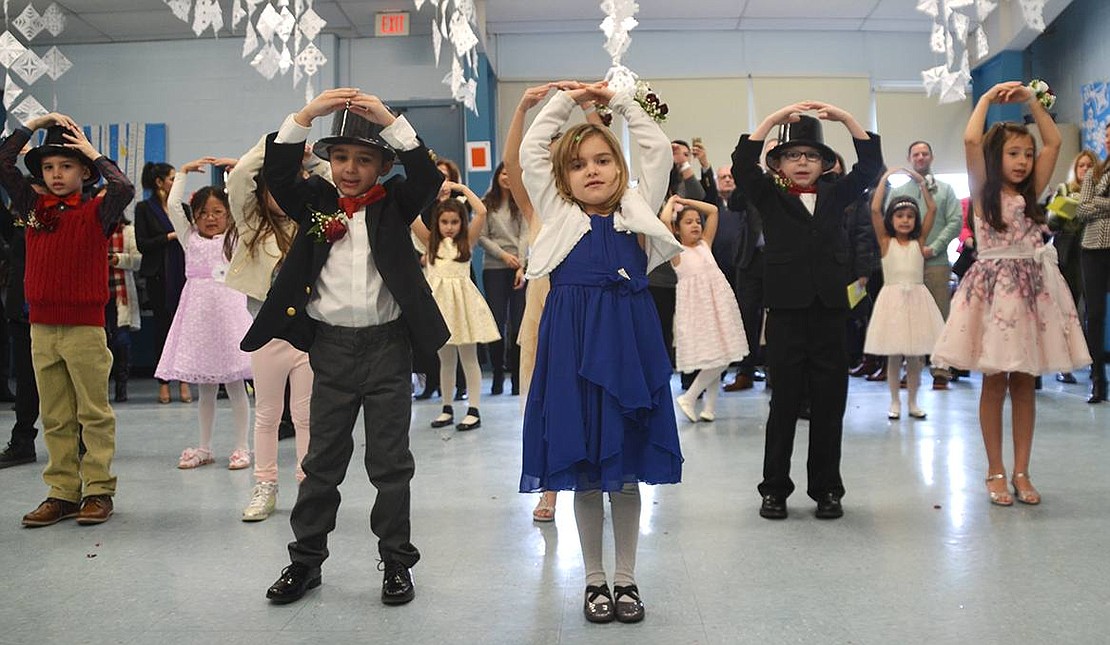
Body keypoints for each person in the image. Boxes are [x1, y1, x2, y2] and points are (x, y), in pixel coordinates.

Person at [247, 88, 446, 606]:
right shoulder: (313, 201)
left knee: (391, 463)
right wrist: (306, 115)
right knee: (321, 463)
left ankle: (397, 563)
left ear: (382, 165)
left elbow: (427, 176)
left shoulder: (396, 204)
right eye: (340, 157)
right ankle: (304, 563)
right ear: (328, 160)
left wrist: (388, 120)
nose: (350, 169)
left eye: (363, 159)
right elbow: (277, 173)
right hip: (330, 350)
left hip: (388, 350)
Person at [519, 81, 684, 625]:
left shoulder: (638, 210)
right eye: (578, 165)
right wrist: (565, 102)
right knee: (586, 467)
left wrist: (618, 101)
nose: (592, 171)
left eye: (603, 160)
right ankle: (594, 580)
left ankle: (628, 578)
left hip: (628, 344)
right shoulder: (557, 209)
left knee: (626, 469)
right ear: (563, 177)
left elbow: (656, 146)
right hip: (571, 348)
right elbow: (530, 151)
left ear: (619, 166)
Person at [932, 81, 1090, 506]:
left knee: (1025, 380)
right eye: (1013, 154)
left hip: (1032, 290)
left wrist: (1033, 104)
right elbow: (970, 138)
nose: (1022, 162)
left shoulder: (1031, 192)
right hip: (994, 291)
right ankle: (994, 470)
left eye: (1026, 154)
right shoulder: (984, 192)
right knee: (995, 380)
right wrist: (985, 100)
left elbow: (1054, 141)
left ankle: (1022, 470)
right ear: (994, 157)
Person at [731, 103, 883, 521]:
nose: (803, 162)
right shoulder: (770, 195)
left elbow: (871, 166)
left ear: (824, 164)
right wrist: (772, 119)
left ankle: (827, 489)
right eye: (793, 155)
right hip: (785, 311)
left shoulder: (838, 194)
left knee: (830, 403)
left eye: (812, 155)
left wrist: (847, 119)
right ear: (778, 162)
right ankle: (774, 489)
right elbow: (743, 164)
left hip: (831, 311)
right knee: (783, 405)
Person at [0, 114, 135, 526]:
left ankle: (97, 489)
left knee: (92, 413)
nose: (57, 174)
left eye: (67, 166)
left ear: (83, 172)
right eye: (49, 167)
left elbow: (124, 187)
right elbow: (2, 163)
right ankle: (62, 492)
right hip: (41, 326)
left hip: (85, 328)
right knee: (55, 414)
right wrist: (34, 122)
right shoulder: (32, 207)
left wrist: (91, 151)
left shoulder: (98, 212)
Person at [226, 138, 327, 521]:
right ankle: (265, 485)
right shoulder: (252, 225)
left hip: (308, 336)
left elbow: (332, 182)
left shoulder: (314, 224)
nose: (285, 197)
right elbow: (238, 179)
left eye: (293, 189)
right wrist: (277, 145)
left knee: (305, 416)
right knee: (267, 415)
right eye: (275, 189)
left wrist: (311, 160)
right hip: (267, 336)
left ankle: (308, 485)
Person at [156, 164, 253, 470]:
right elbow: (173, 204)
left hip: (230, 318)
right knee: (206, 390)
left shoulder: (236, 238)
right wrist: (182, 173)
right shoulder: (189, 238)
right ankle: (205, 446)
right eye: (202, 213)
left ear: (228, 214)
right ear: (194, 216)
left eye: (217, 212)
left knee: (236, 385)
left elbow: (246, 203)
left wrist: (239, 170)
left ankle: (241, 447)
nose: (210, 218)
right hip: (198, 321)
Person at [412, 184, 499, 431]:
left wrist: (460, 187)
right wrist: (433, 196)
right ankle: (446, 407)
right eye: (444, 222)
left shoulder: (467, 243)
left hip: (463, 307)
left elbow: (481, 211)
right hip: (439, 308)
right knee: (445, 360)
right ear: (437, 223)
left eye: (454, 222)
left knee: (468, 358)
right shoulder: (429, 242)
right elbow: (413, 216)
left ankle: (474, 409)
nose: (449, 227)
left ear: (462, 223)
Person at [864, 168, 943, 420]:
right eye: (899, 215)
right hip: (893, 302)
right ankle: (895, 402)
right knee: (894, 355)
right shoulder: (886, 242)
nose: (905, 220)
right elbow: (875, 210)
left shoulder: (918, 242)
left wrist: (921, 184)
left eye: (910, 216)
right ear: (891, 219)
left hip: (917, 302)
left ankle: (913, 402)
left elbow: (932, 210)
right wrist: (885, 179)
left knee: (915, 357)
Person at [661, 195, 748, 422]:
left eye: (697, 221)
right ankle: (689, 397)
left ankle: (709, 408)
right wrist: (672, 203)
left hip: (718, 305)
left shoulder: (704, 244)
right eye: (688, 222)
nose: (696, 225)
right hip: (699, 309)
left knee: (721, 353)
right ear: (677, 229)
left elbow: (713, 211)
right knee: (718, 359)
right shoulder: (677, 252)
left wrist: (686, 201)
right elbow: (663, 222)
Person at [887, 140, 964, 390]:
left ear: (931, 157)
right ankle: (911, 370)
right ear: (910, 159)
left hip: (937, 262)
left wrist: (935, 247)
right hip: (907, 264)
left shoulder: (945, 189)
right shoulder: (899, 192)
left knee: (940, 316)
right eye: (916, 154)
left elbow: (955, 221)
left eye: (925, 153)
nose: (920, 158)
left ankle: (941, 370)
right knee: (908, 318)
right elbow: (888, 222)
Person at [134, 161, 191, 404]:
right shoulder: (144, 208)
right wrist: (169, 236)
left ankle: (185, 380)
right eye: (171, 178)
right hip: (159, 276)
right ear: (159, 182)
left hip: (184, 274)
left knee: (185, 331)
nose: (173, 183)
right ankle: (164, 383)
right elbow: (142, 244)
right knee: (163, 330)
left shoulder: (184, 208)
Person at [479, 162, 529, 396]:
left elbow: (526, 234)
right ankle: (498, 376)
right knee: (497, 323)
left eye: (511, 173)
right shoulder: (486, 203)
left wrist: (520, 262)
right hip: (494, 268)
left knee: (519, 324)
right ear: (497, 175)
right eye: (503, 172)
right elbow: (481, 237)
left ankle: (518, 379)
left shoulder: (522, 201)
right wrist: (503, 255)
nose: (507, 177)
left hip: (519, 268)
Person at [1049, 150, 1096, 385]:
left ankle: (1093, 364)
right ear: (1075, 169)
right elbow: (1050, 223)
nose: (1085, 169)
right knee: (1068, 309)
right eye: (1081, 166)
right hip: (1068, 251)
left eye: (1089, 166)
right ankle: (1063, 365)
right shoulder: (1064, 190)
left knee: (1093, 311)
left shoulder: (1100, 192)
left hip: (1094, 251)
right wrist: (1069, 207)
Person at [1075, 125, 1110, 403]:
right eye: (1107, 136)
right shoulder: (1094, 172)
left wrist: (1096, 203)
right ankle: (1098, 379)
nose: (1108, 140)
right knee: (1094, 314)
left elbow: (1090, 205)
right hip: (1093, 249)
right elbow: (1081, 209)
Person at [106, 218, 142, 402]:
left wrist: (116, 259)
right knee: (100, 344)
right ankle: (100, 388)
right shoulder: (92, 229)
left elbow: (137, 260)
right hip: (98, 295)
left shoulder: (129, 231)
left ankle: (122, 387)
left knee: (122, 342)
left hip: (121, 294)